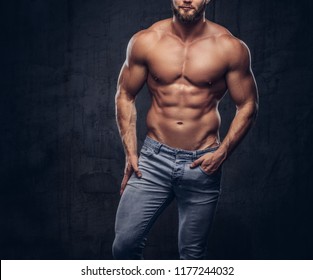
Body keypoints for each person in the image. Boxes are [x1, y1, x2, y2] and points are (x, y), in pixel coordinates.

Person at [112, 0, 258, 260]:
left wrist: (222, 152)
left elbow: (247, 104)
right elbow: (124, 94)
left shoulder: (229, 47)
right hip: (152, 161)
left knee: (192, 258)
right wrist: (130, 152)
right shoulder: (147, 41)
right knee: (124, 246)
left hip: (202, 164)